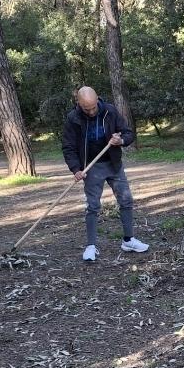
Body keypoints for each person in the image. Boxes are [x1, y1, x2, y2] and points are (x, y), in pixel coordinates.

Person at [61, 86, 149, 261]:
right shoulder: (73, 118)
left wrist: (120, 140)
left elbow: (128, 133)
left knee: (126, 200)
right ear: (79, 104)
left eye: (93, 107)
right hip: (91, 167)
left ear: (97, 100)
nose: (91, 112)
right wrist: (76, 169)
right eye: (87, 109)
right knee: (92, 206)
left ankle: (128, 240)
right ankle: (91, 246)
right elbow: (68, 146)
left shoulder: (110, 111)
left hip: (113, 164)